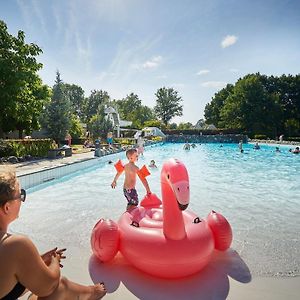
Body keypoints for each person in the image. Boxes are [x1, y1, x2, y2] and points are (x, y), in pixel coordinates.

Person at [0, 167, 106, 300]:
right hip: (52, 285)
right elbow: (50, 285)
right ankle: (91, 293)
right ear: (7, 207)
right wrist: (54, 262)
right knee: (59, 287)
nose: (22, 200)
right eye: (20, 195)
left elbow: (8, 282)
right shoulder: (15, 245)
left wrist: (39, 261)